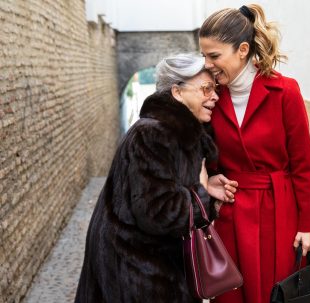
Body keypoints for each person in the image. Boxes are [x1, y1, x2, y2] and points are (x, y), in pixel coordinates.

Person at [74, 53, 237, 303]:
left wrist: (203, 188)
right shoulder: (153, 135)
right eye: (206, 89)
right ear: (177, 92)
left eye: (214, 88)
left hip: (149, 265)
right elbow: (159, 211)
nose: (214, 96)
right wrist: (201, 191)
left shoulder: (174, 132)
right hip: (135, 271)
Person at [199, 4, 310, 303]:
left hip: (279, 213)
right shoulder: (211, 95)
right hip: (231, 213)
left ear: (242, 50)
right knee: (231, 294)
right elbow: (206, 155)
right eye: (203, 55)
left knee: (277, 292)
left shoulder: (285, 92)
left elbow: (303, 164)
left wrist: (308, 226)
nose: (207, 64)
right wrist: (211, 184)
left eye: (214, 55)